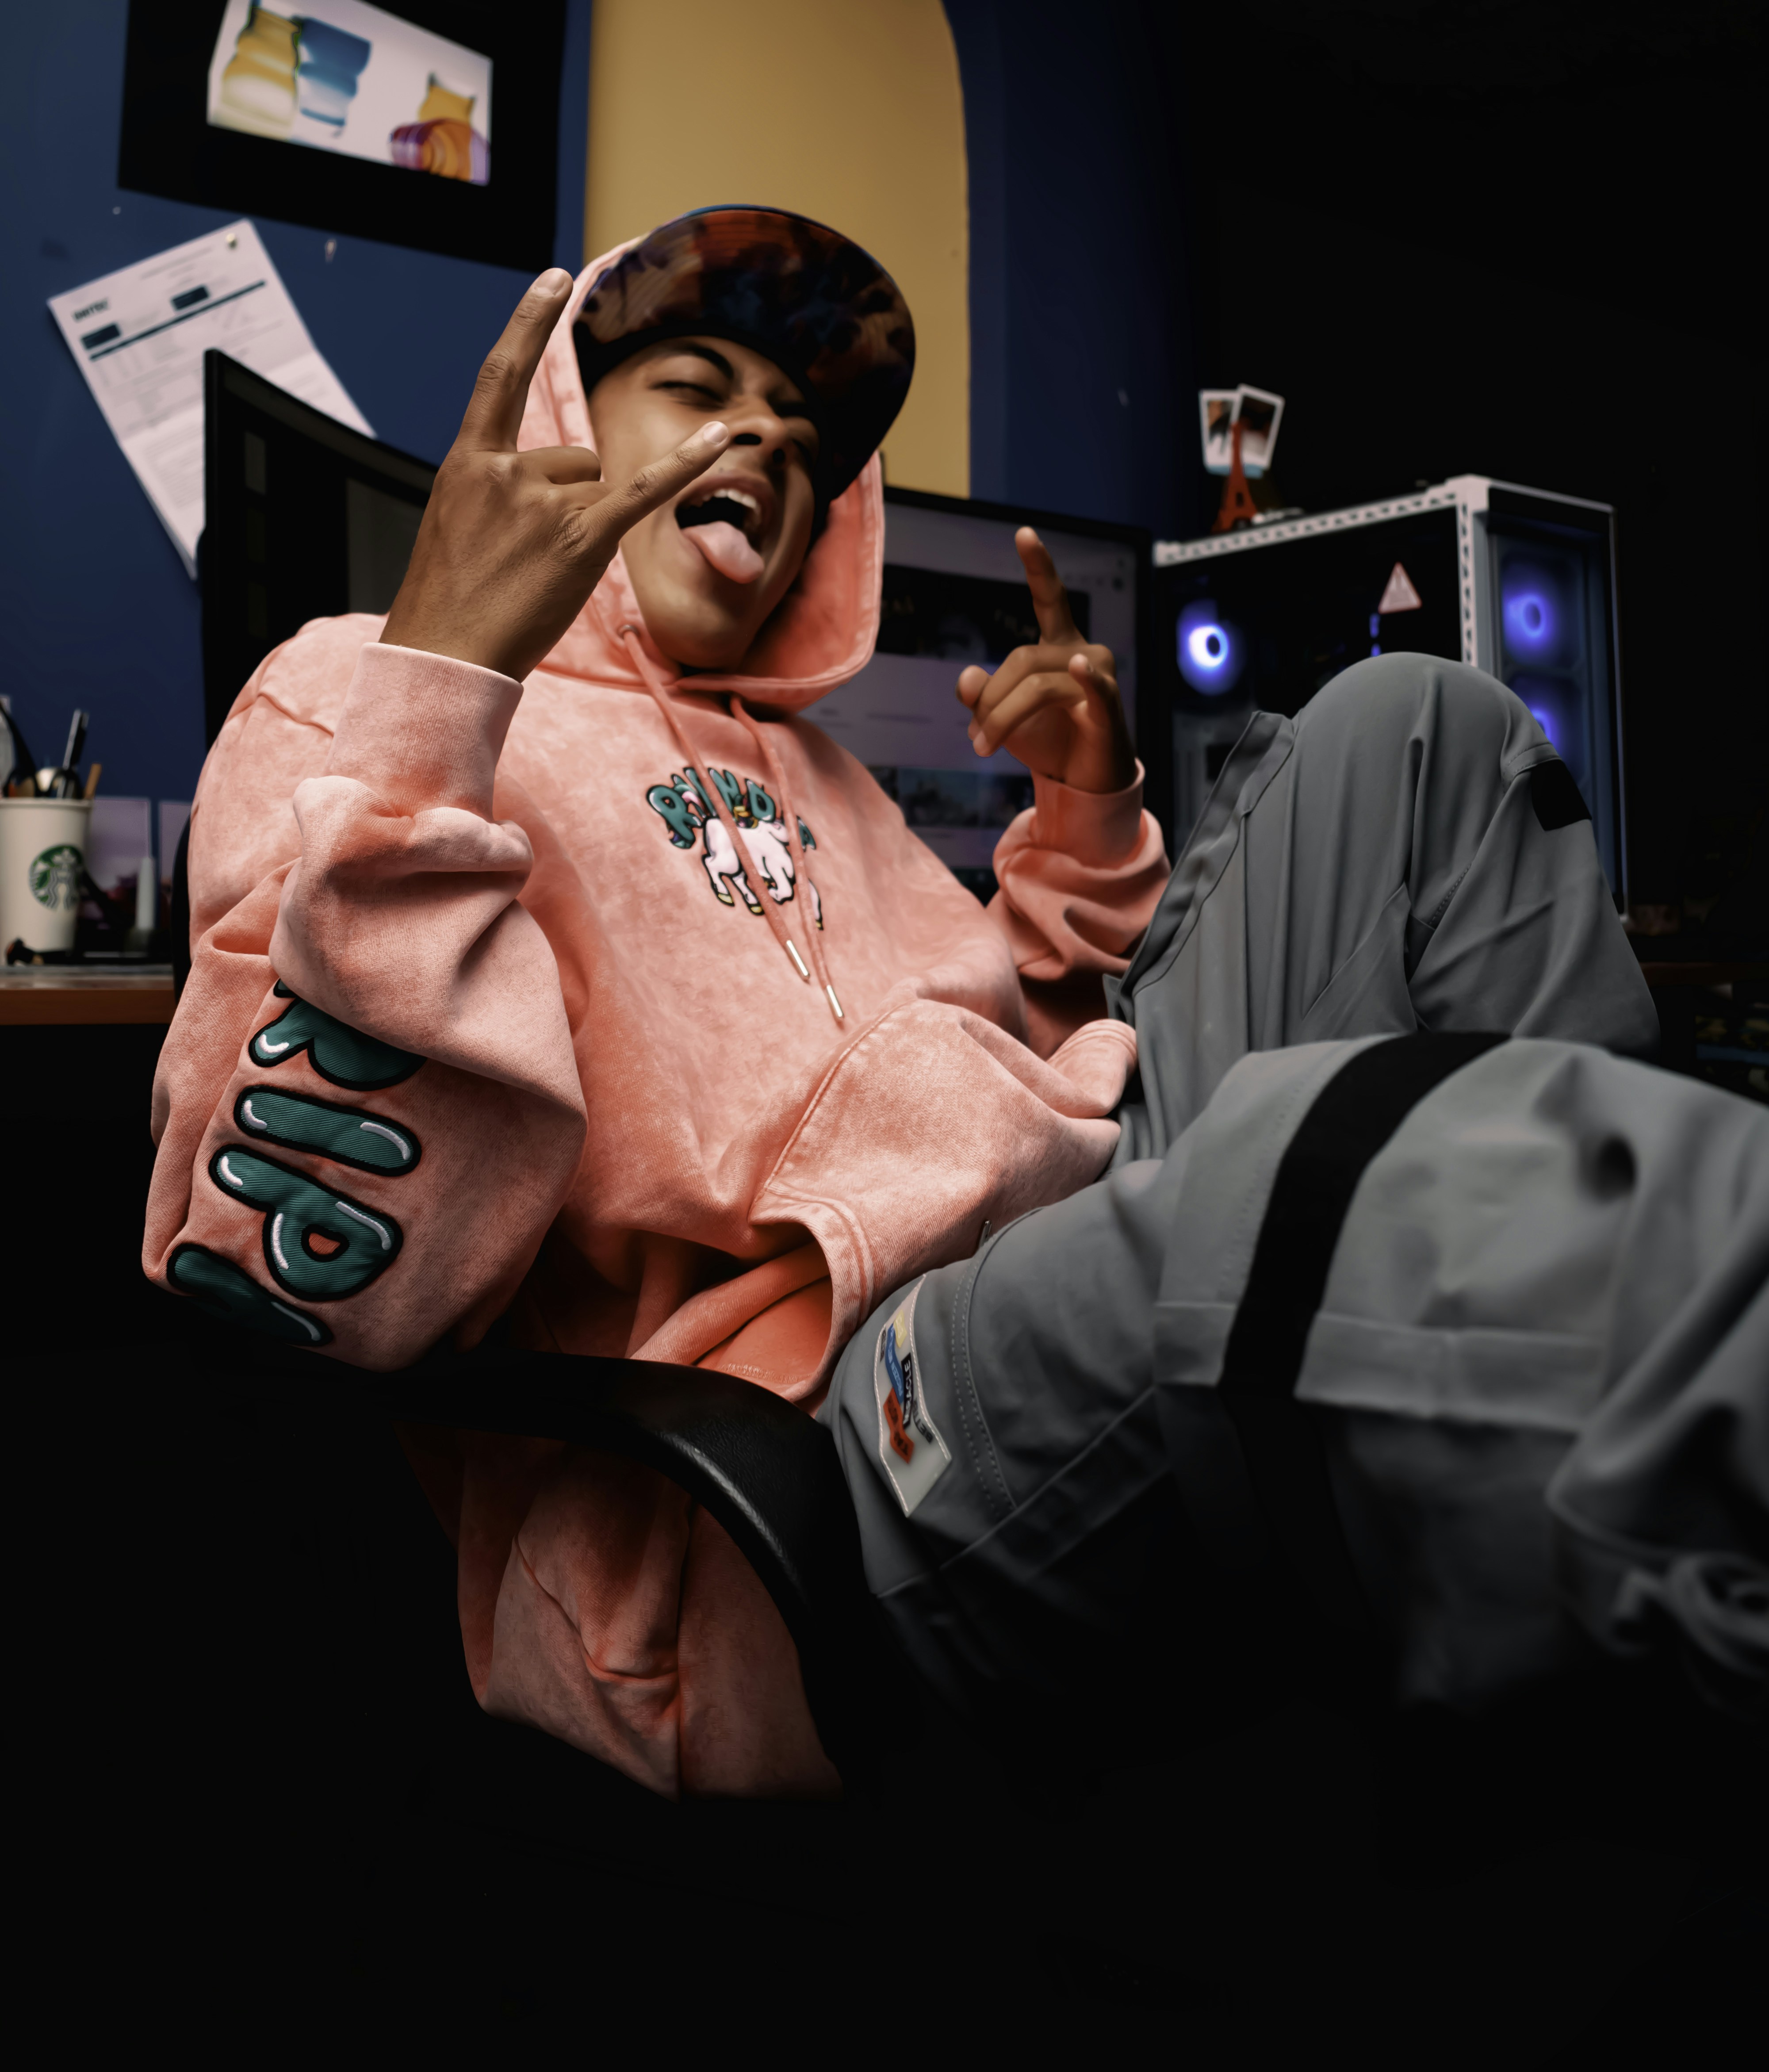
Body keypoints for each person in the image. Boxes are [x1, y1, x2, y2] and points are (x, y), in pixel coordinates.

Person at [145, 209, 1763, 1798]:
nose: (766, 448)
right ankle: (1651, 1393)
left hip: (1047, 1239)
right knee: (1385, 1164)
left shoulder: (823, 774)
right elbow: (313, 1286)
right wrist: (443, 690)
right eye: (698, 389)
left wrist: (1085, 823)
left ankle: (1589, 1438)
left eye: (801, 435)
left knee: (1418, 727)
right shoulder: (361, 686)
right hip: (809, 1432)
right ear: (567, 425)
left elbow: (998, 1062)